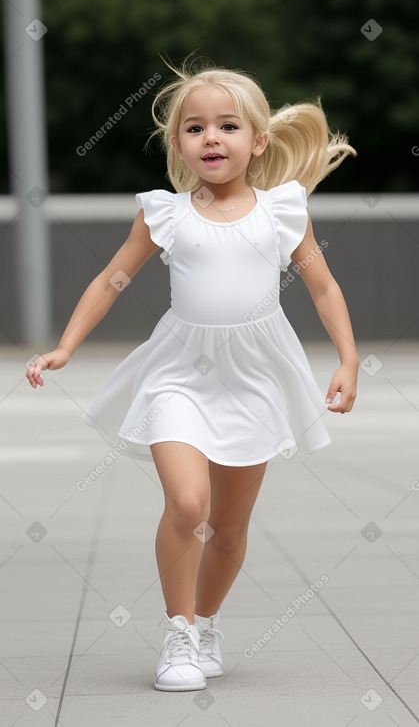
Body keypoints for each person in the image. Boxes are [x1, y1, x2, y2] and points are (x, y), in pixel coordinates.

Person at [26, 56, 359, 692]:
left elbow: (322, 287)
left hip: (256, 377)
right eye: (195, 128)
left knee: (229, 531)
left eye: (228, 125)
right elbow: (111, 278)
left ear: (257, 140)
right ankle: (178, 634)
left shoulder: (285, 210)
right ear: (178, 144)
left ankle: (207, 623)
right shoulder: (165, 213)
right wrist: (66, 346)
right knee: (188, 503)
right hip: (178, 372)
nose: (212, 137)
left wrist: (347, 358)